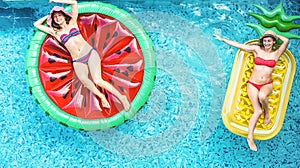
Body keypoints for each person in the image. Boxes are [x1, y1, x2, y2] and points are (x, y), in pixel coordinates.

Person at [34, 0, 130, 111]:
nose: (58, 18)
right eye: (55, 17)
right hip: (77, 60)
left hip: (89, 53)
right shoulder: (55, 32)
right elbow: (36, 24)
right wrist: (49, 16)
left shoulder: (73, 22)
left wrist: (56, 1)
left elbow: (74, 2)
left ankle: (122, 98)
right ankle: (101, 97)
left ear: (65, 16)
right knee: (85, 81)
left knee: (98, 80)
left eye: (59, 15)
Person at [214, 30, 289, 151]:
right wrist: (223, 40)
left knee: (263, 96)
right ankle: (250, 138)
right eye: (264, 41)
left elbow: (286, 41)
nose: (266, 43)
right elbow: (240, 45)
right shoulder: (257, 50)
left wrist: (274, 34)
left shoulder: (277, 53)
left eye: (269, 41)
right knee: (257, 111)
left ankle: (267, 113)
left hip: (266, 84)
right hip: (253, 84)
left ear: (274, 41)